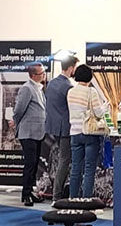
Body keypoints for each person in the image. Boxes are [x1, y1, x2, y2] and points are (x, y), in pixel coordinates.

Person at [68, 64, 109, 199]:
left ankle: (73, 198)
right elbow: (98, 113)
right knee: (89, 168)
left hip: (74, 133)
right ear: (90, 77)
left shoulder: (70, 92)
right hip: (89, 133)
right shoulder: (91, 92)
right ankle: (86, 199)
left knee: (75, 168)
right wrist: (105, 107)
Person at [13, 61, 47, 206]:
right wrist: (17, 124)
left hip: (38, 132)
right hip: (28, 132)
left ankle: (31, 191)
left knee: (34, 163)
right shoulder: (27, 88)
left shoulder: (39, 88)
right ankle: (26, 193)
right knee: (30, 164)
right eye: (41, 73)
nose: (44, 75)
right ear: (33, 75)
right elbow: (19, 110)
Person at [44, 55, 77, 201]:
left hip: (53, 127)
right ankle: (57, 195)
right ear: (70, 68)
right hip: (65, 128)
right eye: (75, 68)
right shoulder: (68, 87)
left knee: (62, 160)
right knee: (65, 161)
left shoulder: (51, 83)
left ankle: (59, 192)